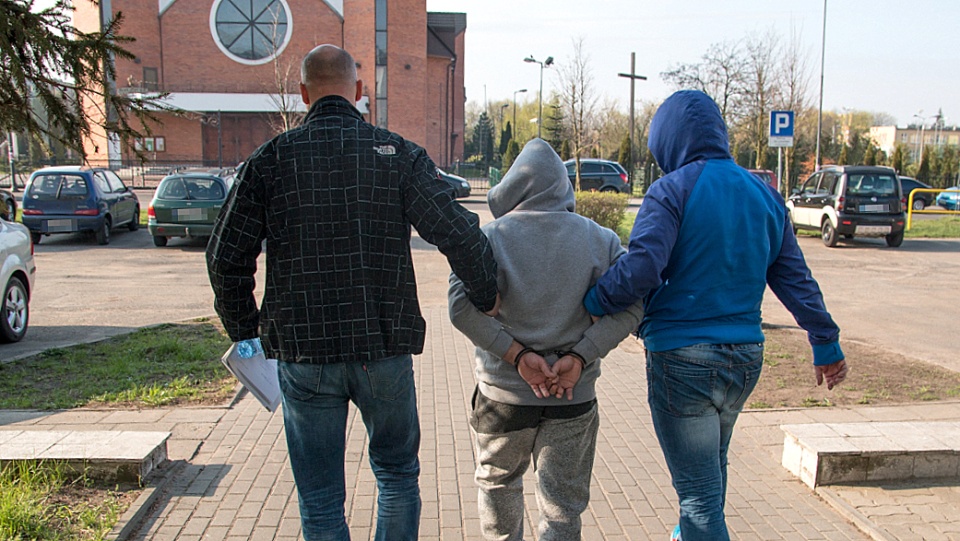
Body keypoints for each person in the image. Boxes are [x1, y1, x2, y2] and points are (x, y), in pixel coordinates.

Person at [206, 44, 500, 541]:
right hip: (382, 346)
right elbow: (458, 231)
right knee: (397, 477)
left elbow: (224, 256)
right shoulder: (398, 156)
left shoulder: (269, 161)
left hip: (303, 353)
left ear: (302, 94)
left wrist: (247, 330)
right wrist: (485, 292)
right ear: (360, 92)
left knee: (319, 496)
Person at [582, 90, 849, 541]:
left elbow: (644, 265)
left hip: (683, 359)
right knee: (710, 475)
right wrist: (825, 340)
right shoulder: (765, 195)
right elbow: (794, 278)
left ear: (667, 140)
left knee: (699, 496)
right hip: (745, 358)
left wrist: (595, 301)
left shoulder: (671, 189)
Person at [449, 138, 644, 541]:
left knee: (498, 488)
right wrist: (581, 355)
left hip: (502, 396)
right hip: (572, 396)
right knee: (562, 510)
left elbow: (459, 307)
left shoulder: (490, 238)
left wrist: (516, 355)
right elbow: (634, 305)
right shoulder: (601, 239)